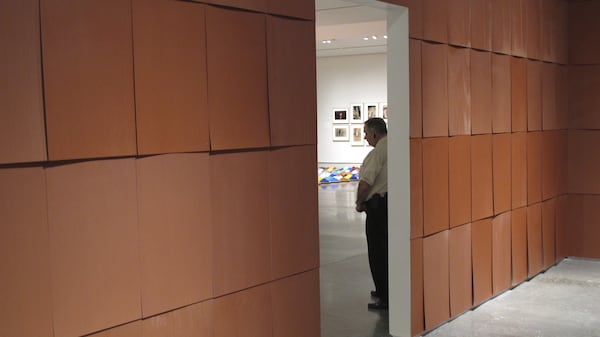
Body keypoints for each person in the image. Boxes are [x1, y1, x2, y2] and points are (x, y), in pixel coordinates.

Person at [355, 117, 388, 310]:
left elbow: (366, 182)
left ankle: (384, 294)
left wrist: (359, 202)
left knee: (377, 252)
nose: (366, 138)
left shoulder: (377, 153)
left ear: (374, 134)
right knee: (388, 250)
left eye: (366, 134)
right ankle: (386, 289)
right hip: (390, 204)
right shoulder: (395, 146)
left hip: (377, 207)